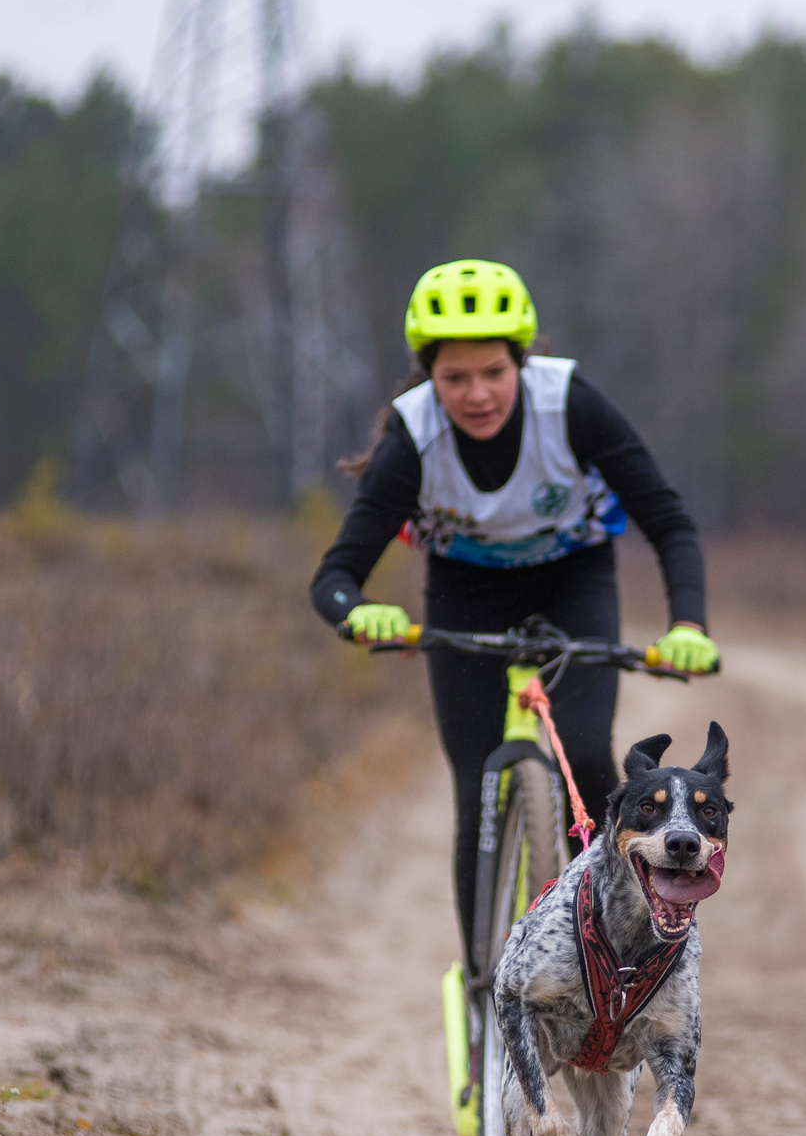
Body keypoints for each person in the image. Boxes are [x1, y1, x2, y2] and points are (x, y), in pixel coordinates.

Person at [308, 258, 718, 950]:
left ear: (521, 362)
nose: (477, 395)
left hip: (573, 580)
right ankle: (481, 992)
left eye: (494, 373)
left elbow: (669, 520)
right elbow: (337, 573)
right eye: (455, 378)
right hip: (464, 592)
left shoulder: (571, 405)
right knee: (476, 790)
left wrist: (687, 623)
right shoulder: (412, 437)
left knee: (587, 757)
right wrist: (357, 611)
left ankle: (609, 948)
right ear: (428, 376)